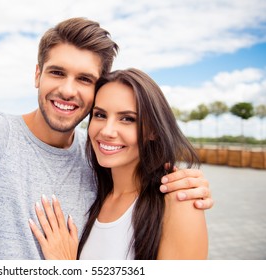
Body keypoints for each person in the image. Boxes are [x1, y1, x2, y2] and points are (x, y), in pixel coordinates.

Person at [0, 18, 211, 260]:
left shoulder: (97, 158)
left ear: (97, 89)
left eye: (84, 78)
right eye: (56, 72)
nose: (67, 89)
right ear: (37, 74)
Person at [29, 68, 208, 260]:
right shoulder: (94, 192)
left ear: (153, 131)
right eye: (100, 115)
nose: (107, 131)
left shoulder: (178, 203)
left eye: (127, 119)